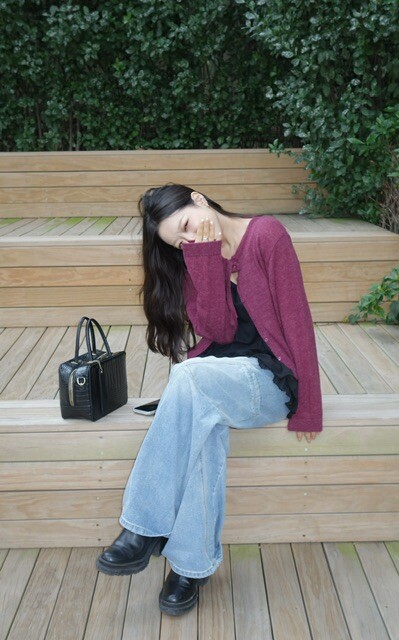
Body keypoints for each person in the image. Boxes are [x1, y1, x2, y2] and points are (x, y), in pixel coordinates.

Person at [96, 184, 323, 615]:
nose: (188, 239)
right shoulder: (195, 256)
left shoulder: (266, 235)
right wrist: (204, 258)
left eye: (186, 225)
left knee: (189, 377)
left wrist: (309, 409)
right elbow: (218, 330)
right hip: (219, 380)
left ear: (199, 199)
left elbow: (298, 320)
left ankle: (142, 528)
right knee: (205, 426)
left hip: (270, 382)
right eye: (178, 242)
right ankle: (191, 566)